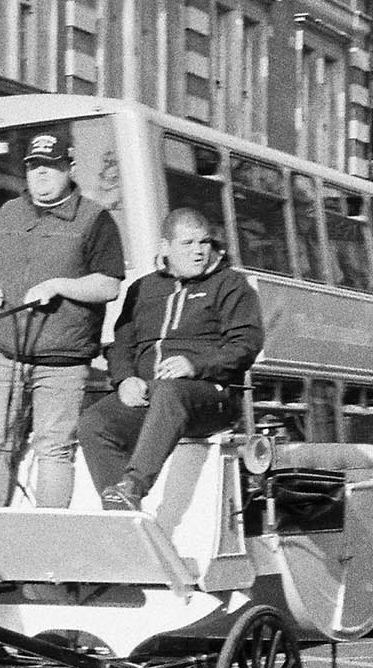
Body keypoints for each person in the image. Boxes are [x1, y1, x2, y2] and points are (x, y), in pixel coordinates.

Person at [0, 127, 124, 508]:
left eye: (51, 166)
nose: (41, 174)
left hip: (63, 362)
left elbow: (109, 286)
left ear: (70, 168)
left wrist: (59, 285)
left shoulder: (95, 219)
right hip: (6, 356)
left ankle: (45, 545)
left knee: (53, 450)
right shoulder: (8, 212)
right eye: (34, 166)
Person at [79, 206, 264, 512]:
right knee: (94, 422)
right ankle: (122, 512)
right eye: (188, 244)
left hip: (210, 397)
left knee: (169, 392)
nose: (199, 252)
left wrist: (196, 366)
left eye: (204, 243)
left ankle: (134, 486)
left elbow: (246, 345)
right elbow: (122, 343)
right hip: (154, 398)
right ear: (165, 247)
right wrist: (124, 380)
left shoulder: (231, 285)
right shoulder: (144, 288)